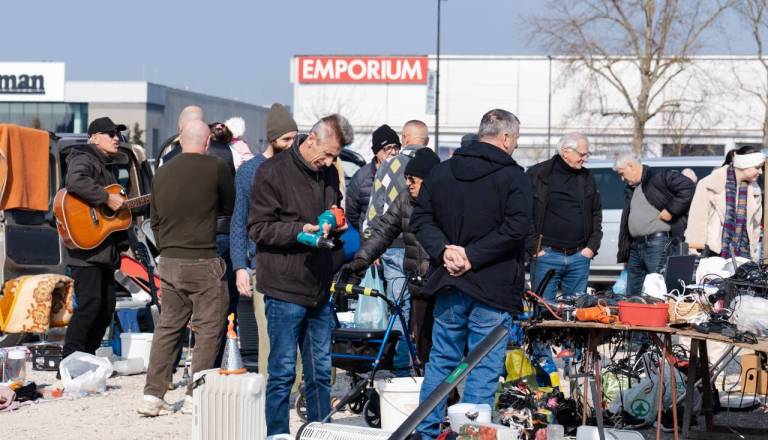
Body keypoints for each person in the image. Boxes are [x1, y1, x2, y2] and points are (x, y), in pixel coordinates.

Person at [410, 109, 531, 440]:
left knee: (442, 362)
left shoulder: (441, 172)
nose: (515, 144)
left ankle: (426, 431)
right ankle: (472, 435)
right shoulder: (514, 177)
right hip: (492, 288)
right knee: (483, 367)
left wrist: (446, 251)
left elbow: (421, 219)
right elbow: (517, 228)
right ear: (505, 138)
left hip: (451, 282)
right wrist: (467, 256)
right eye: (516, 138)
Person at [248, 114, 353, 437]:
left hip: (319, 288)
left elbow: (335, 210)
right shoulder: (272, 172)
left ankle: (320, 431)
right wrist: (298, 231)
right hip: (283, 287)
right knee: (280, 372)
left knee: (321, 372)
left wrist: (335, 220)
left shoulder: (329, 174)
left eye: (335, 156)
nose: (331, 161)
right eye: (329, 153)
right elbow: (258, 228)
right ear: (310, 140)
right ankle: (276, 433)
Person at [138, 120, 234, 416]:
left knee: (168, 327)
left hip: (169, 261)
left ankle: (152, 395)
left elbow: (153, 219)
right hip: (203, 260)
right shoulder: (216, 167)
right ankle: (196, 396)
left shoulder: (162, 172)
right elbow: (229, 206)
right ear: (207, 143)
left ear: (180, 141)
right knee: (208, 328)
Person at [346, 147, 441, 365]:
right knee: (424, 348)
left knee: (443, 348)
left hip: (443, 286)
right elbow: (383, 231)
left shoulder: (444, 202)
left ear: (428, 180)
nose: (408, 183)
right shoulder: (405, 199)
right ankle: (429, 393)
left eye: (413, 179)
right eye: (406, 178)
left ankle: (448, 395)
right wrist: (360, 261)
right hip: (419, 286)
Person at [230, 102, 298, 378]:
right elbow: (239, 220)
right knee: (269, 333)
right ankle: (274, 388)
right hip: (262, 264)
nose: (293, 144)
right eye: (287, 139)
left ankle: (296, 390)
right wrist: (239, 267)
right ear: (273, 139)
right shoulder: (250, 172)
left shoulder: (297, 167)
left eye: (295, 138)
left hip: (295, 262)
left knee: (295, 332)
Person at [362, 119, 430, 374]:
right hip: (422, 245)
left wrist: (371, 242)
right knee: (423, 306)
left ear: (404, 139)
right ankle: (422, 360)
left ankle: (400, 364)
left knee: (398, 304)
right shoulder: (435, 166)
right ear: (427, 141)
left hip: (392, 245)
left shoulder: (389, 165)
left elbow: (374, 209)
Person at [61, 117, 127, 361]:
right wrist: (106, 198)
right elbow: (75, 180)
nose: (116, 138)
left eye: (117, 134)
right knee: (90, 306)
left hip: (103, 249)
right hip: (86, 248)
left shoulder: (107, 166)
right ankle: (69, 360)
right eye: (110, 134)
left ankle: (85, 359)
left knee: (105, 308)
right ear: (94, 137)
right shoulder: (84, 156)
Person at [527, 133, 602, 299]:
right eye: (582, 154)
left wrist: (591, 247)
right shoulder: (538, 174)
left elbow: (596, 213)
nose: (585, 159)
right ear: (566, 152)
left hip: (579, 257)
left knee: (575, 313)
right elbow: (525, 213)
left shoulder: (587, 177)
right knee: (543, 310)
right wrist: (534, 248)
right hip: (546, 256)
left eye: (587, 154)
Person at [614, 155, 695, 296]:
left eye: (622, 174)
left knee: (658, 289)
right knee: (633, 292)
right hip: (636, 245)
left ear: (631, 166)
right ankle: (633, 316)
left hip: (657, 243)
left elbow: (687, 186)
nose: (622, 179)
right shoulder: (631, 188)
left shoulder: (658, 176)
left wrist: (671, 210)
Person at [686, 147, 764, 260]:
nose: (760, 172)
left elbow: (756, 226)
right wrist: (696, 254)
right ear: (744, 165)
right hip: (712, 252)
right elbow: (697, 221)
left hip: (743, 256)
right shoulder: (709, 184)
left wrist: (753, 251)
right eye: (757, 167)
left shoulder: (754, 190)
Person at [345, 124, 401, 234]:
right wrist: (365, 232)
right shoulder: (361, 177)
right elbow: (352, 212)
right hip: (370, 241)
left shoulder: (404, 174)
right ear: (376, 151)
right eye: (388, 148)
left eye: (396, 147)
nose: (393, 152)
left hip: (398, 242)